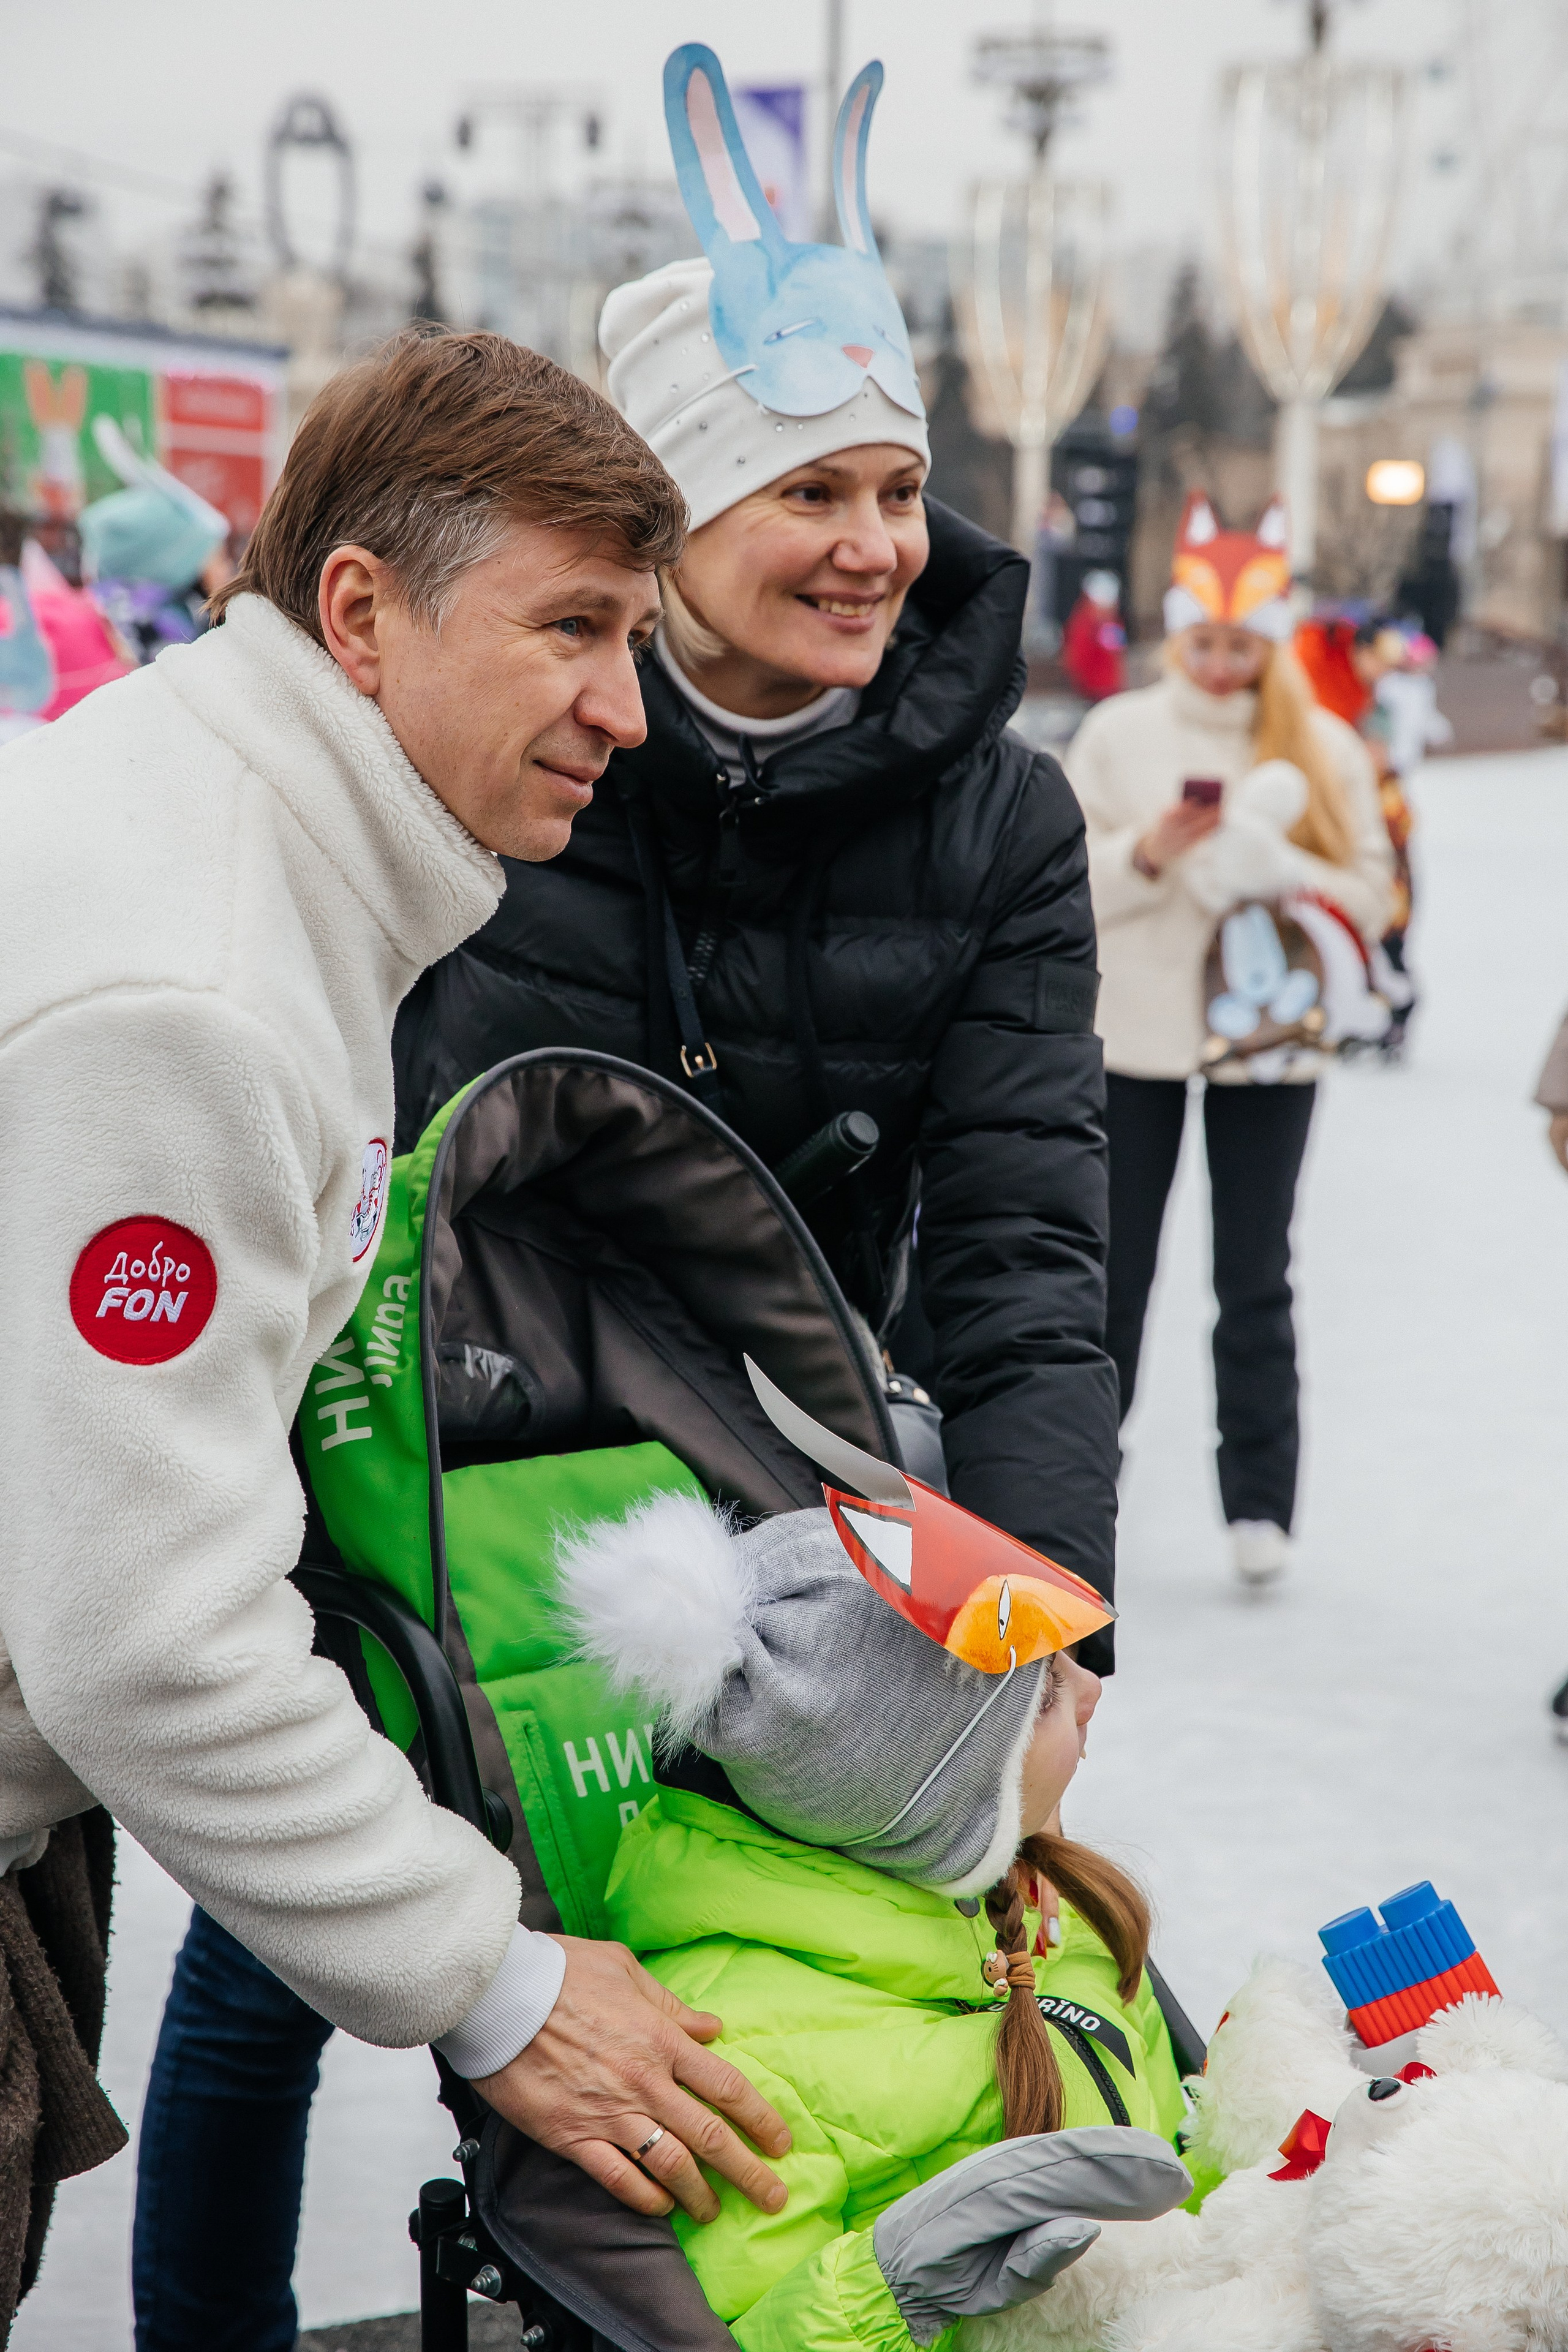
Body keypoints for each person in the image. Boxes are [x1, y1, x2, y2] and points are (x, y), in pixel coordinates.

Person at [137, 47, 1120, 2341]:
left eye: (899, 484)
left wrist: (1045, 1608)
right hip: (433, 1427)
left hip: (807, 1493)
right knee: (286, 1960)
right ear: (658, 521)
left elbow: (1019, 1241)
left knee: (797, 1942)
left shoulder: (995, 827)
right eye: (810, 494)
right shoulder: (506, 732)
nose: (876, 541)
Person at [1, 327, 798, 2352]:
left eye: (637, 634)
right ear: (359, 611)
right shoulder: (190, 989)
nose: (627, 705)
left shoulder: (238, 820)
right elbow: (144, 1635)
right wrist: (494, 1978)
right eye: (572, 630)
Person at [553, 1481, 1190, 2348]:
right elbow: (749, 2323)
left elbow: (1190, 2163)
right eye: (1043, 1693)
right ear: (939, 1803)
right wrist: (895, 2284)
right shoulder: (734, 2058)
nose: (1093, 1690)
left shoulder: (1054, 1907)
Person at [1067, 490, 1392, 1591]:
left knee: (1256, 1274)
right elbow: (1060, 891)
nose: (1217, 665)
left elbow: (1375, 899)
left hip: (1270, 1043)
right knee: (1112, 1280)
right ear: (1176, 630)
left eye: (1240, 646)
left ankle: (1260, 1502)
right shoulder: (1119, 735)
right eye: (1202, 641)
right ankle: (1079, 1491)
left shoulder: (1322, 746)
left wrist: (1279, 870)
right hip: (1135, 1041)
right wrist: (1154, 855)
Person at [1061, 568, 1126, 703]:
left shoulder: (1114, 623)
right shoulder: (1083, 625)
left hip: (1111, 692)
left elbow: (1117, 656)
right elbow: (1077, 660)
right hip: (1089, 694)